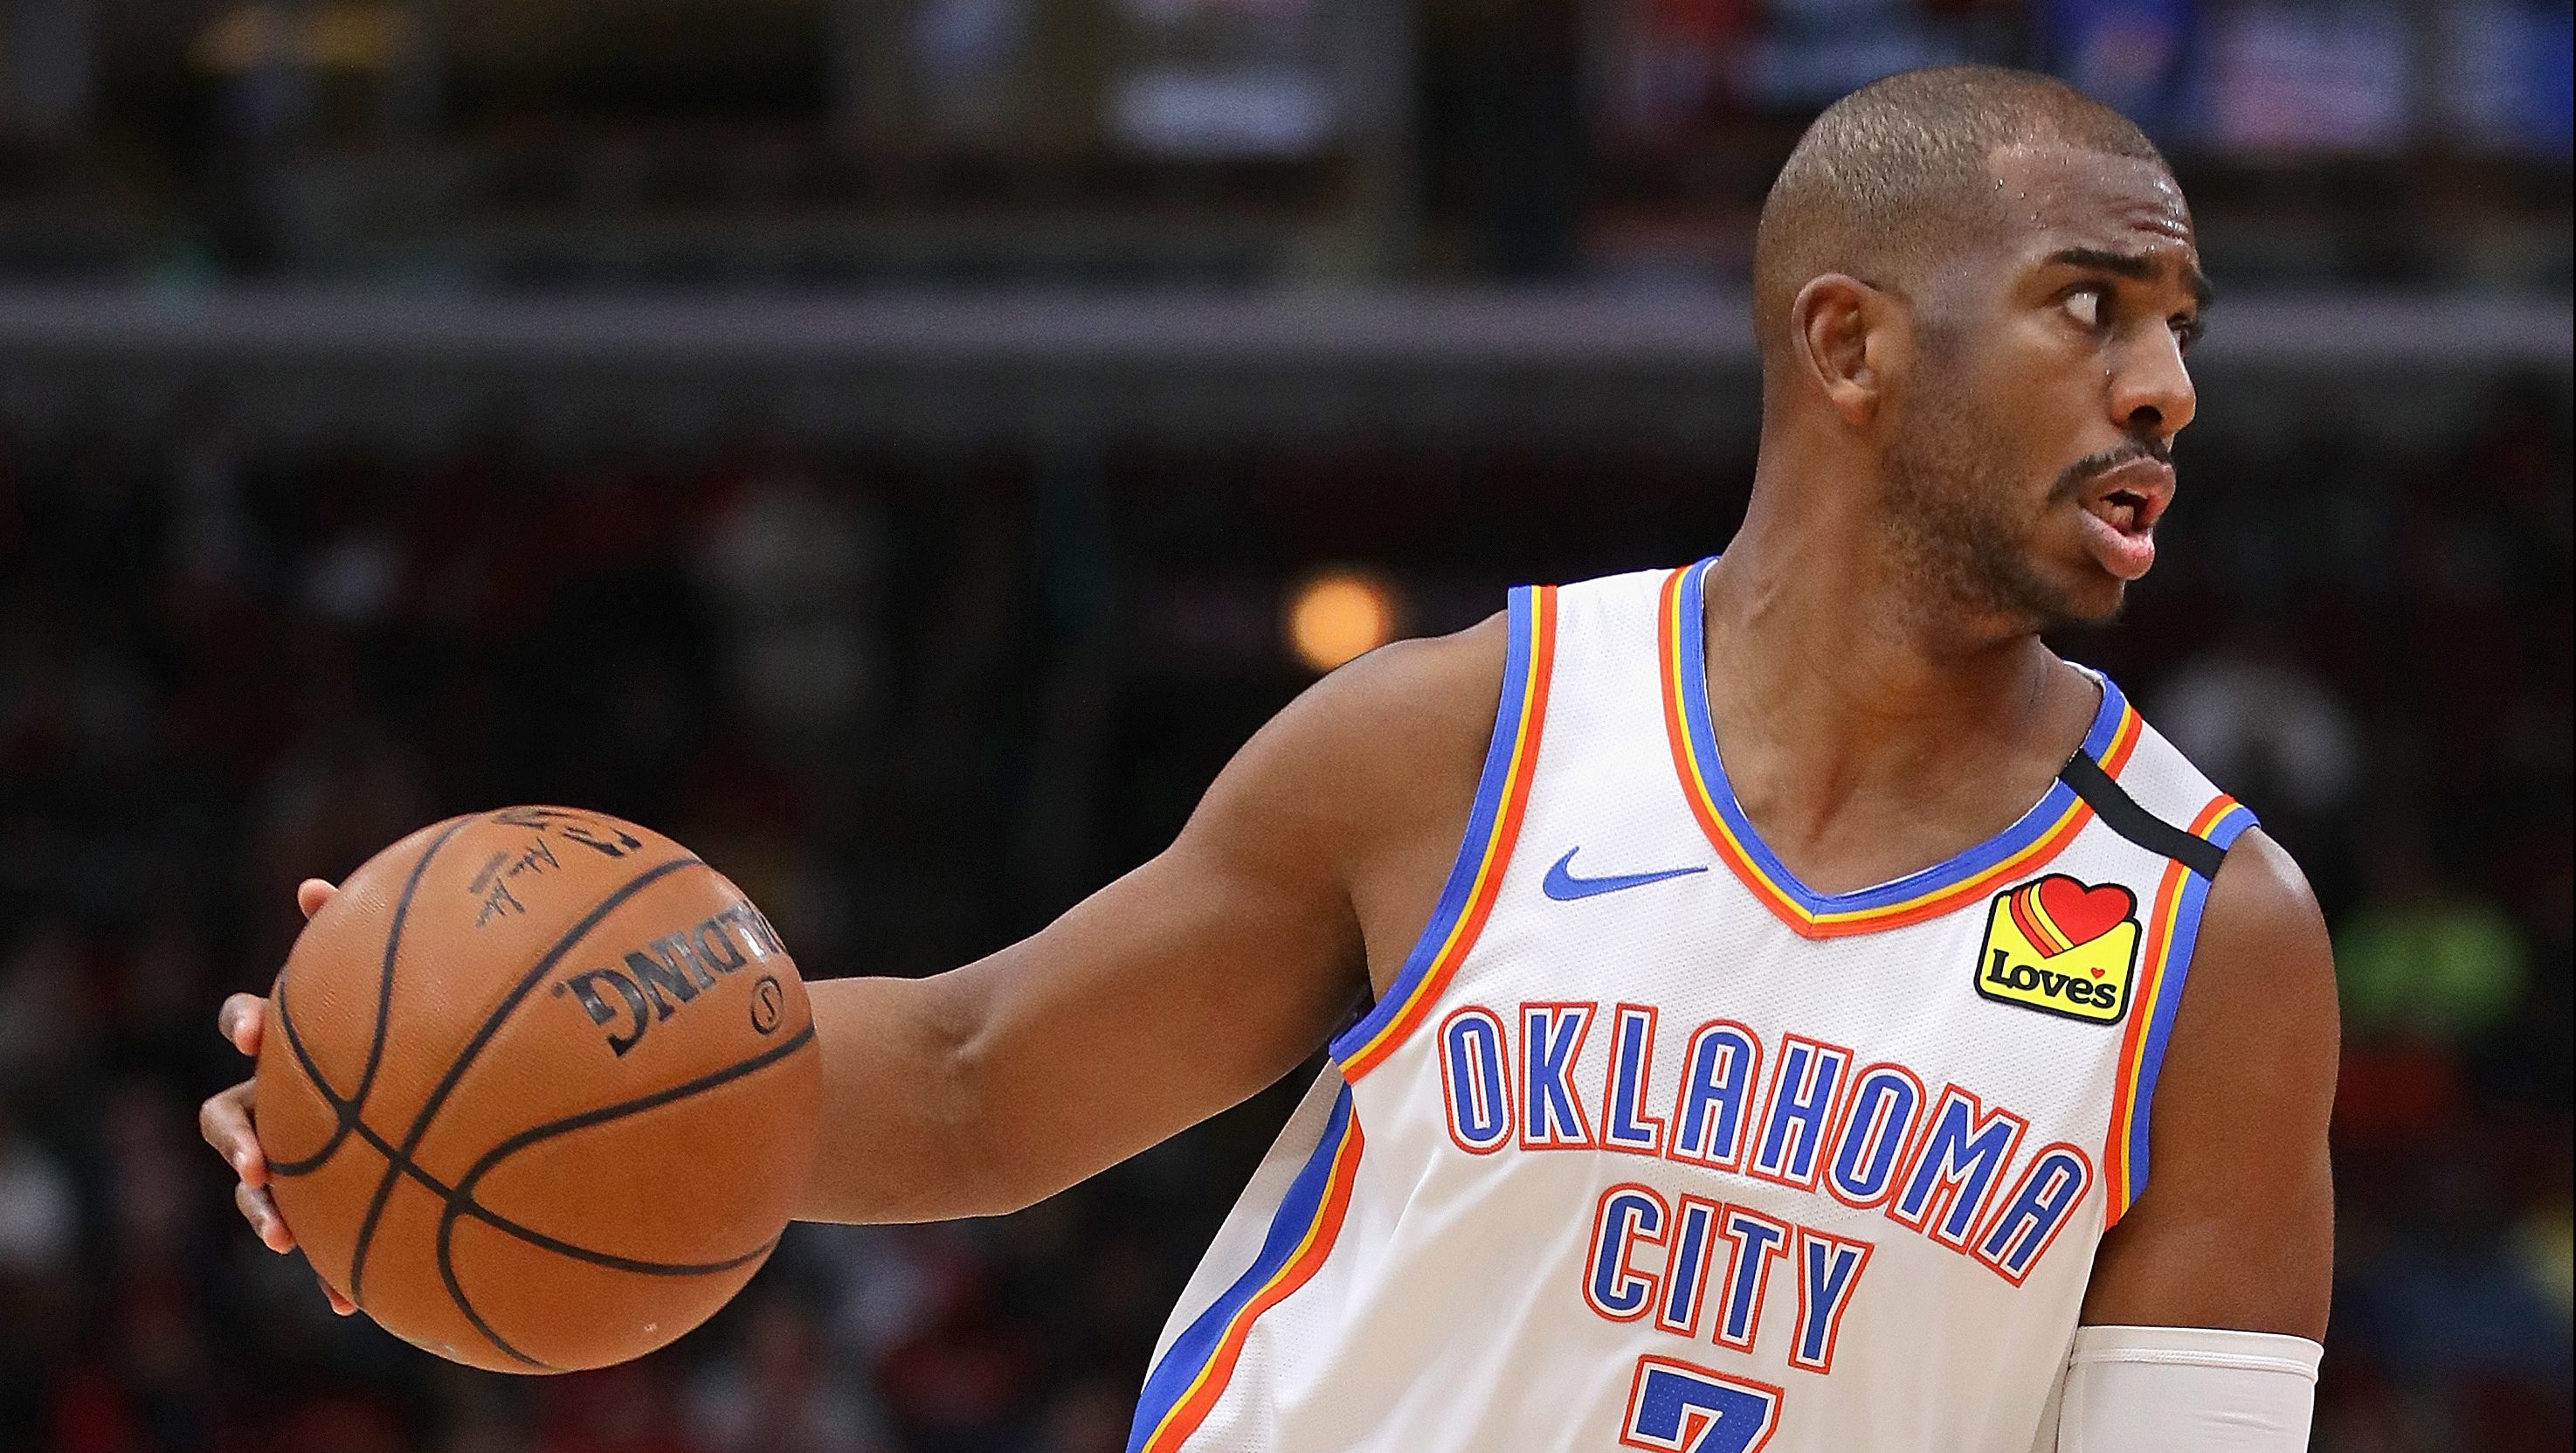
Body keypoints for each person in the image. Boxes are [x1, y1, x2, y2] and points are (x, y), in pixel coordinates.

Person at [201, 66, 2336, 1453]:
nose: (2159, 386)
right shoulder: (1467, 738)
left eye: (2179, 332)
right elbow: (970, 1079)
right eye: (2089, 306)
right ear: (1849, 343)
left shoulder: (2205, 934)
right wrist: (438, 1093)